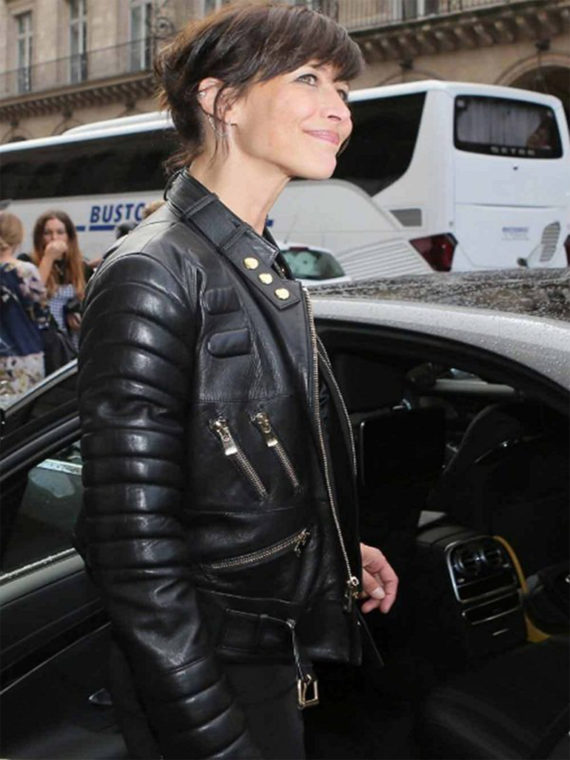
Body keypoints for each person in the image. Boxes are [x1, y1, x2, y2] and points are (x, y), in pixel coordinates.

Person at [76, 4, 398, 759]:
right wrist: (210, 733)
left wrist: (332, 551)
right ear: (222, 100)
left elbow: (235, 469)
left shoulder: (249, 256)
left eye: (343, 89)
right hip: (213, 672)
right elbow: (132, 550)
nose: (339, 110)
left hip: (264, 643)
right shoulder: (155, 273)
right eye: (309, 79)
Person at [0, 212, 47, 403]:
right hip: (25, 355)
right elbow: (41, 314)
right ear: (17, 237)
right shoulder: (25, 270)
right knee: (22, 412)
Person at [32, 210, 86, 350]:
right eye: (47, 233)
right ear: (40, 237)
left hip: (71, 342)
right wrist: (48, 258)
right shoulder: (29, 263)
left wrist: (77, 312)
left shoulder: (80, 266)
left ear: (69, 237)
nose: (54, 238)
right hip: (41, 339)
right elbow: (32, 292)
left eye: (60, 232)